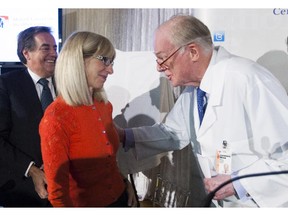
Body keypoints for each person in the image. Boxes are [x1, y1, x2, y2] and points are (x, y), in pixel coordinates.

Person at [117, 15, 288, 207]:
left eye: (162, 58)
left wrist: (239, 183)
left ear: (193, 52)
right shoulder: (194, 91)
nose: (158, 68)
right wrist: (124, 136)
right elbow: (173, 134)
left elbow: (285, 157)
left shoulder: (247, 79)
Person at [39, 31, 138, 207]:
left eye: (111, 62)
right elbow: (57, 193)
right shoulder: (57, 117)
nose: (111, 70)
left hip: (121, 198)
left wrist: (124, 183)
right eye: (104, 60)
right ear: (79, 61)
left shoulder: (103, 105)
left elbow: (109, 161)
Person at [0, 26, 57, 207]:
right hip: (22, 189)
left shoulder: (67, 85)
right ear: (26, 53)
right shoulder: (6, 85)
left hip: (66, 186)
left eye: (55, 48)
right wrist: (31, 170)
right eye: (46, 48)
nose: (54, 54)